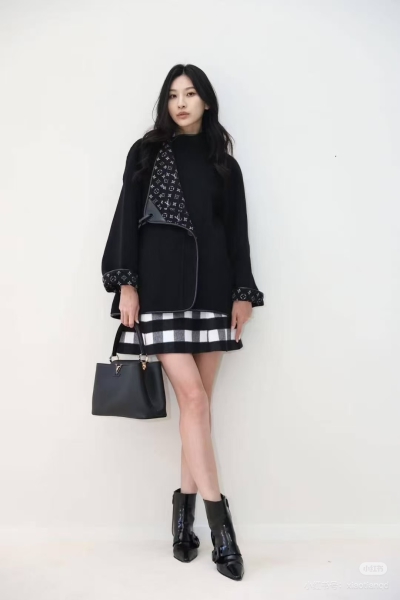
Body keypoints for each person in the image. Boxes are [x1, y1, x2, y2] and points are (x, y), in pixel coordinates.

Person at [101, 64, 264, 581]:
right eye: (173, 95)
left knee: (200, 409)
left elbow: (236, 232)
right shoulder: (146, 153)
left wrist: (243, 293)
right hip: (159, 291)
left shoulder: (224, 165)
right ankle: (222, 530)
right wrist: (126, 283)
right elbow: (127, 216)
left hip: (213, 291)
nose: (181, 103)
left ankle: (182, 521)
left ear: (206, 101)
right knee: (193, 401)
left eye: (191, 94)